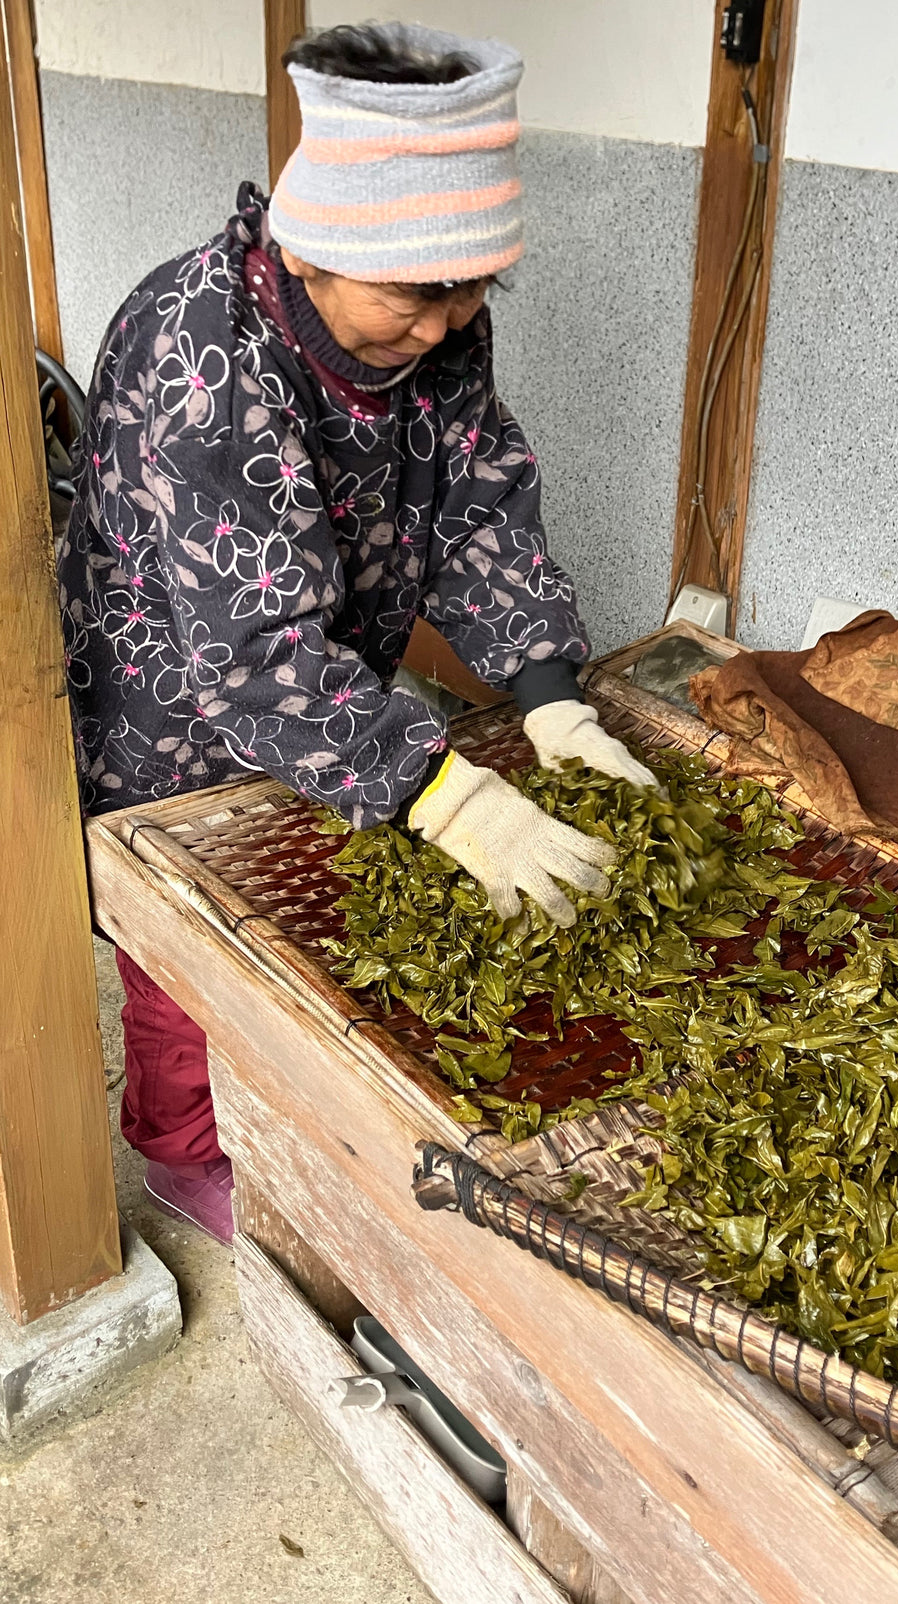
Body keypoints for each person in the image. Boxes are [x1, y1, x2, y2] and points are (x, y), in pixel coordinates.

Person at [58, 22, 655, 1245]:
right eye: (416, 295)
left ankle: (276, 1110)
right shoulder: (203, 354)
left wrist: (551, 696)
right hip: (177, 704)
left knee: (315, 910)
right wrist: (451, 797)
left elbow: (477, 495)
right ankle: (180, 1145)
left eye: (474, 289)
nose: (444, 325)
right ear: (316, 250)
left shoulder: (436, 332)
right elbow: (258, 651)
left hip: (332, 687)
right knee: (192, 956)